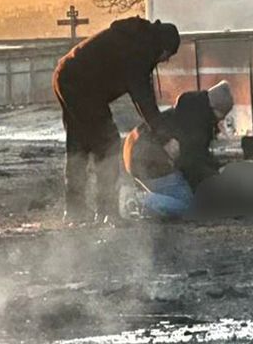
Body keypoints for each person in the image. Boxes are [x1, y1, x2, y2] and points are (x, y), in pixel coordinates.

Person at [53, 17, 180, 223]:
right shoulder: (139, 51)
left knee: (78, 144)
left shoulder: (136, 39)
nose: (164, 61)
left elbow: (142, 95)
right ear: (163, 47)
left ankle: (75, 211)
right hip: (82, 85)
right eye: (167, 56)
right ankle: (107, 211)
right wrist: (165, 137)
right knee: (108, 143)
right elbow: (143, 98)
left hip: (65, 74)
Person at [122, 80, 234, 218]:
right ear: (214, 109)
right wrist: (215, 175)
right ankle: (139, 201)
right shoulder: (197, 123)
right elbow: (191, 161)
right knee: (188, 206)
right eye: (220, 116)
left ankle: (145, 200)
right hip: (150, 161)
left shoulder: (191, 110)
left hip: (135, 152)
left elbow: (194, 154)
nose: (218, 122)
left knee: (177, 197)